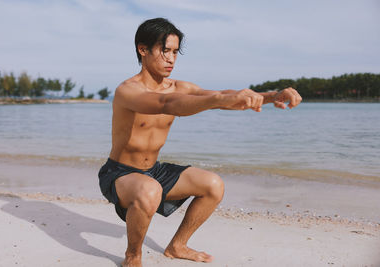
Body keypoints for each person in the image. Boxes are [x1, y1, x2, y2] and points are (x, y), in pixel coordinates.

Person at [98, 17, 302, 267]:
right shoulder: (128, 90)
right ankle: (133, 256)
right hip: (120, 174)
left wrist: (272, 96)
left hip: (153, 171)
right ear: (143, 49)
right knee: (150, 190)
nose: (171, 59)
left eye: (175, 52)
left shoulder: (179, 86)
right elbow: (167, 103)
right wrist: (217, 99)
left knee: (213, 185)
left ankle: (177, 246)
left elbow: (223, 95)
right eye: (165, 51)